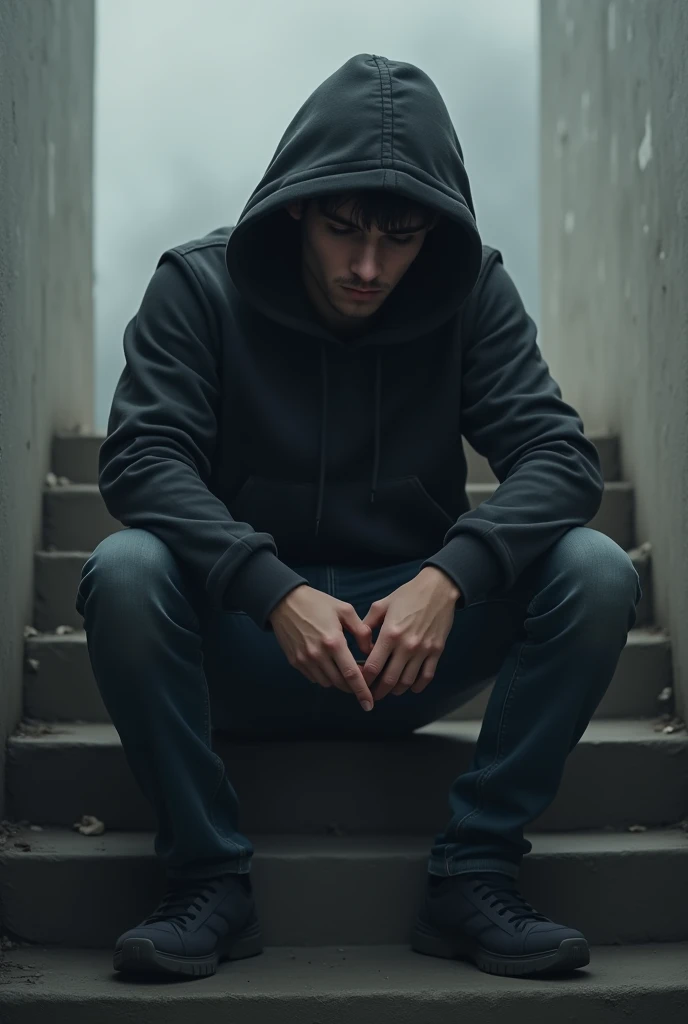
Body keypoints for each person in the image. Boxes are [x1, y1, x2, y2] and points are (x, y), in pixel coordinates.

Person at [76, 52, 641, 982]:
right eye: (343, 231)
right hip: (245, 642)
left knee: (596, 570)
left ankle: (473, 871)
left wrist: (449, 576)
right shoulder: (198, 287)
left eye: (403, 238)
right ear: (299, 204)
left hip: (399, 648)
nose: (370, 266)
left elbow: (560, 460)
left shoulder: (471, 294)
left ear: (435, 231)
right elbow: (141, 459)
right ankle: (208, 878)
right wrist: (270, 589)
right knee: (127, 571)